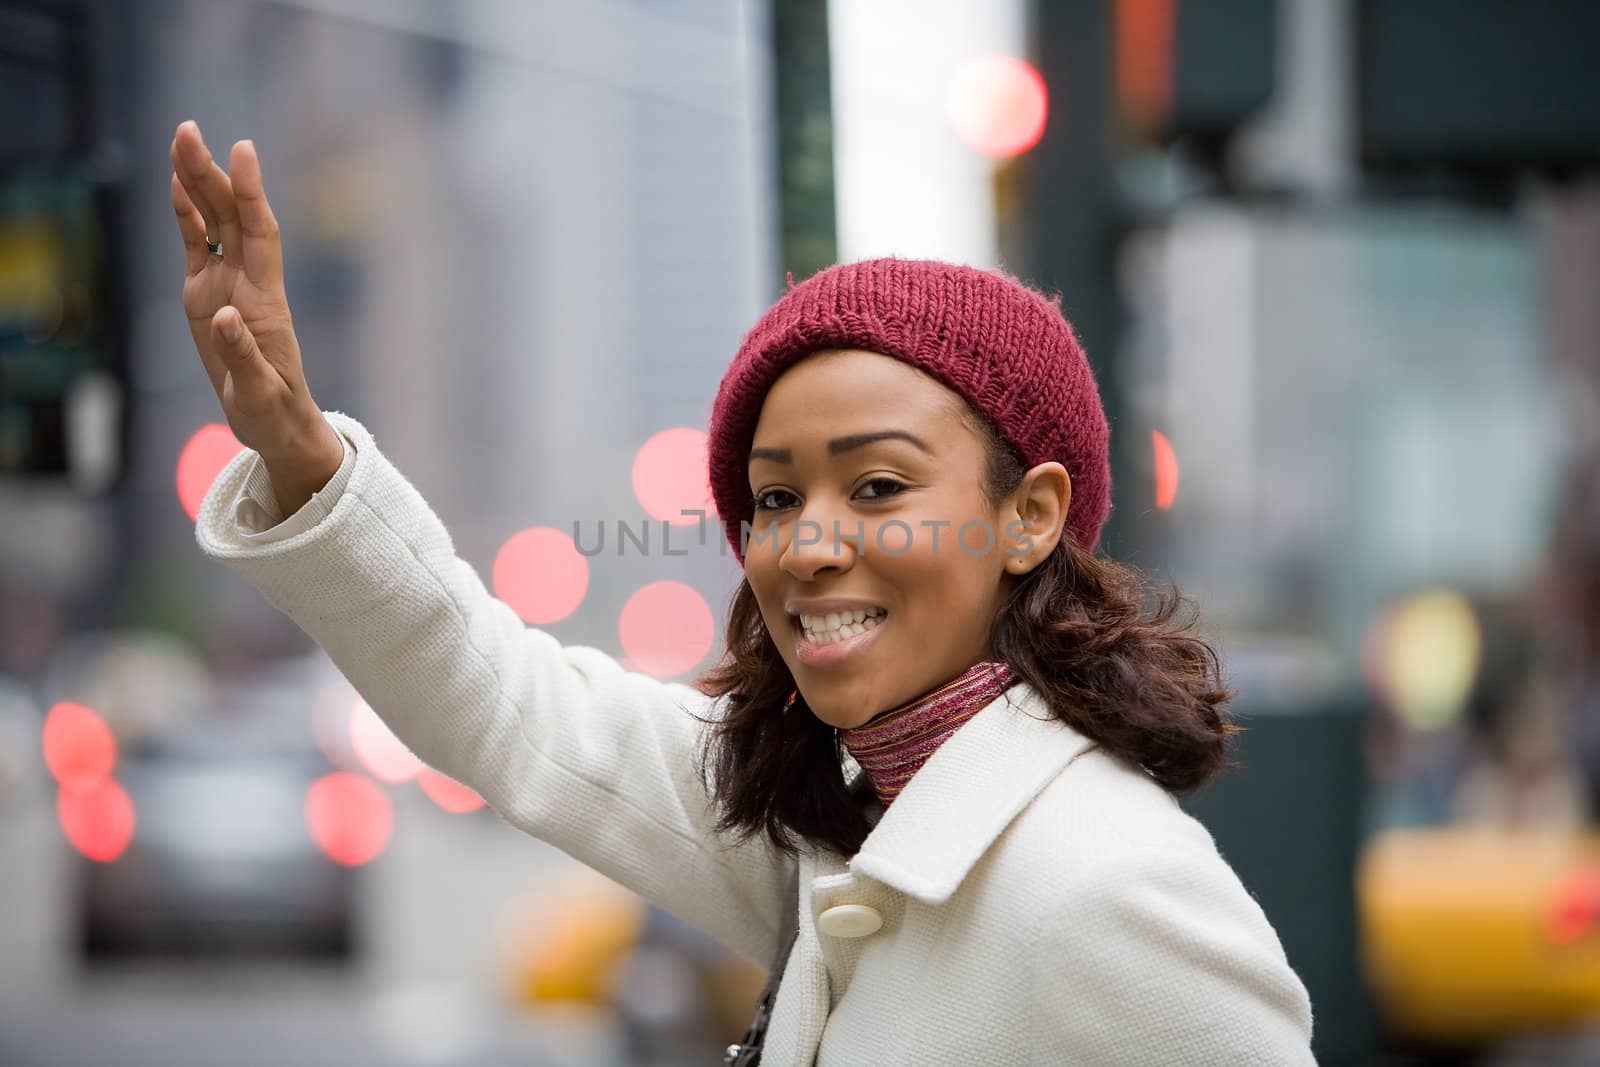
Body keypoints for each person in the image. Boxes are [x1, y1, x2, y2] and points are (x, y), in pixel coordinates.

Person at [172, 118, 1316, 1065]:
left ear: (1031, 515)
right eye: (772, 499)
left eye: (876, 484)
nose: (806, 546)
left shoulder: (1113, 886)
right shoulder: (835, 812)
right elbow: (496, 697)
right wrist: (301, 453)